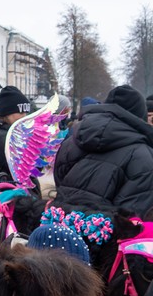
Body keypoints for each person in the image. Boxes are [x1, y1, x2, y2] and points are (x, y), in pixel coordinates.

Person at [54, 85, 153, 217]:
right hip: (109, 232)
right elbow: (132, 215)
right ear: (140, 116)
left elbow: (60, 185)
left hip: (61, 229)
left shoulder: (69, 144)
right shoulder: (144, 157)